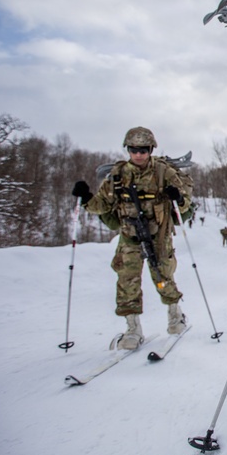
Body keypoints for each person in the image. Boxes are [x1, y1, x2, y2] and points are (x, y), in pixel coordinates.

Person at [71, 127, 191, 350]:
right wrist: (86, 196)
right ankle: (133, 329)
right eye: (134, 149)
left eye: (143, 150)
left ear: (150, 150)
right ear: (128, 150)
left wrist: (177, 196)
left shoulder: (164, 173)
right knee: (127, 282)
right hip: (129, 236)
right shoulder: (118, 175)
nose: (138, 154)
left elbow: (184, 203)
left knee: (163, 275)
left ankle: (175, 317)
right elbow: (101, 204)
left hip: (158, 235)